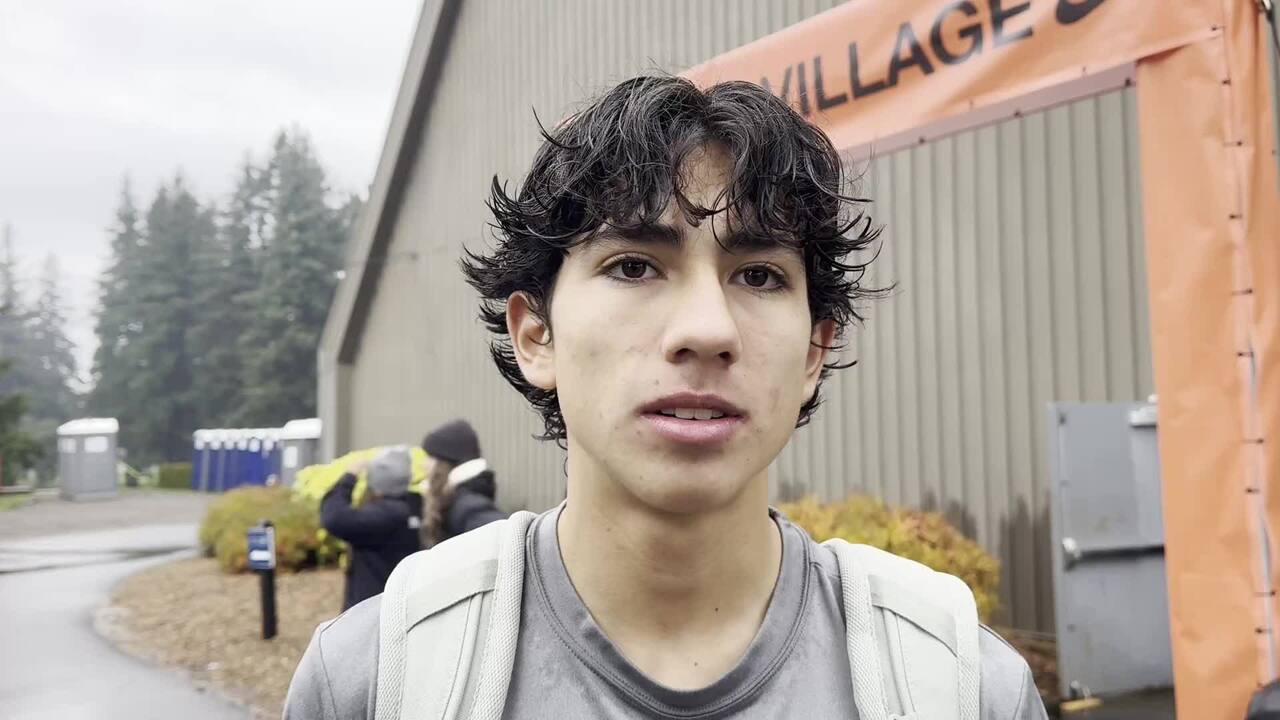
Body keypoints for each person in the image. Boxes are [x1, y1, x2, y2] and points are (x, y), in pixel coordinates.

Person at [286, 75, 1047, 719]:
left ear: (816, 350)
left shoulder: (966, 689)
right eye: (634, 266)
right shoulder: (374, 682)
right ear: (536, 335)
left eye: (759, 275)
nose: (707, 331)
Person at [319, 446, 422, 610]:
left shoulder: (384, 516)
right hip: (404, 604)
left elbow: (334, 517)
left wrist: (349, 477)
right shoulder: (416, 507)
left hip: (373, 609)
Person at [420, 418, 507, 547]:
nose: (424, 464)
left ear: (444, 464)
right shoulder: (454, 501)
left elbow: (505, 538)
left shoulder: (469, 507)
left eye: (430, 457)